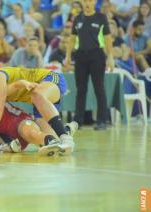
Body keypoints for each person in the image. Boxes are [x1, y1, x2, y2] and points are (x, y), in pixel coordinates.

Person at [0, 58, 74, 154]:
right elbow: (15, 85)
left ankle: (65, 137)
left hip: (50, 78)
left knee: (36, 94)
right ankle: (66, 130)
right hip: (40, 101)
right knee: (51, 141)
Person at [0, 91, 78, 157]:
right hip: (5, 139)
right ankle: (2, 148)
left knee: (31, 133)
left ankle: (53, 141)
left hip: (20, 123)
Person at [65, 0, 114, 130]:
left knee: (99, 88)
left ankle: (101, 121)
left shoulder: (101, 17)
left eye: (90, 1)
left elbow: (108, 38)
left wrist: (110, 57)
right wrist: (68, 56)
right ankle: (77, 121)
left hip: (97, 56)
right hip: (80, 56)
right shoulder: (77, 18)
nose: (87, 3)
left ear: (94, 2)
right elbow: (72, 39)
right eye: (85, 0)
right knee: (80, 89)